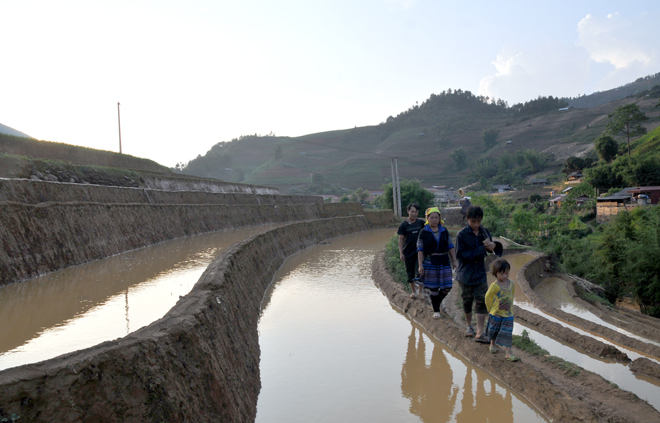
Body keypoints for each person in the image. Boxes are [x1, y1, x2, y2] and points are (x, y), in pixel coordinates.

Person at [455, 205, 496, 342]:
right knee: (467, 300)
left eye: (479, 221)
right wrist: (480, 250)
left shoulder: (484, 232)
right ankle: (469, 326)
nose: (476, 224)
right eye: (473, 221)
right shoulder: (461, 235)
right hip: (465, 274)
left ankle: (480, 331)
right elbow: (460, 255)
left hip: (480, 272)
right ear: (467, 219)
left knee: (481, 301)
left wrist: (492, 247)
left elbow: (490, 249)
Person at [417, 207, 457, 319]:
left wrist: (454, 261)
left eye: (436, 217)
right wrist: (420, 265)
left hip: (444, 261)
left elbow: (450, 246)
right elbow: (420, 249)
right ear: (427, 218)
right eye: (432, 217)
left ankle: (436, 302)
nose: (434, 220)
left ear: (439, 218)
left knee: (447, 286)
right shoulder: (423, 232)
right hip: (430, 262)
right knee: (433, 288)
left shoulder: (444, 231)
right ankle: (436, 310)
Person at [485, 258, 519, 362]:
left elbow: (511, 295)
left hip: (508, 313)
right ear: (496, 273)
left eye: (507, 273)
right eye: (502, 274)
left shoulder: (512, 283)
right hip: (496, 313)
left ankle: (508, 353)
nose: (504, 276)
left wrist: (510, 308)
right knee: (494, 330)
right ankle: (492, 344)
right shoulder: (495, 286)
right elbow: (488, 297)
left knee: (507, 333)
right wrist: (490, 309)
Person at [398, 203, 426, 298]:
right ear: (408, 211)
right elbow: (401, 239)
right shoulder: (403, 225)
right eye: (412, 211)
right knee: (410, 272)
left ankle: (421, 292)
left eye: (416, 212)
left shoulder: (421, 223)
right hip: (408, 252)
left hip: (420, 252)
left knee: (421, 272)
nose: (414, 213)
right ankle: (413, 291)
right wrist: (401, 253)